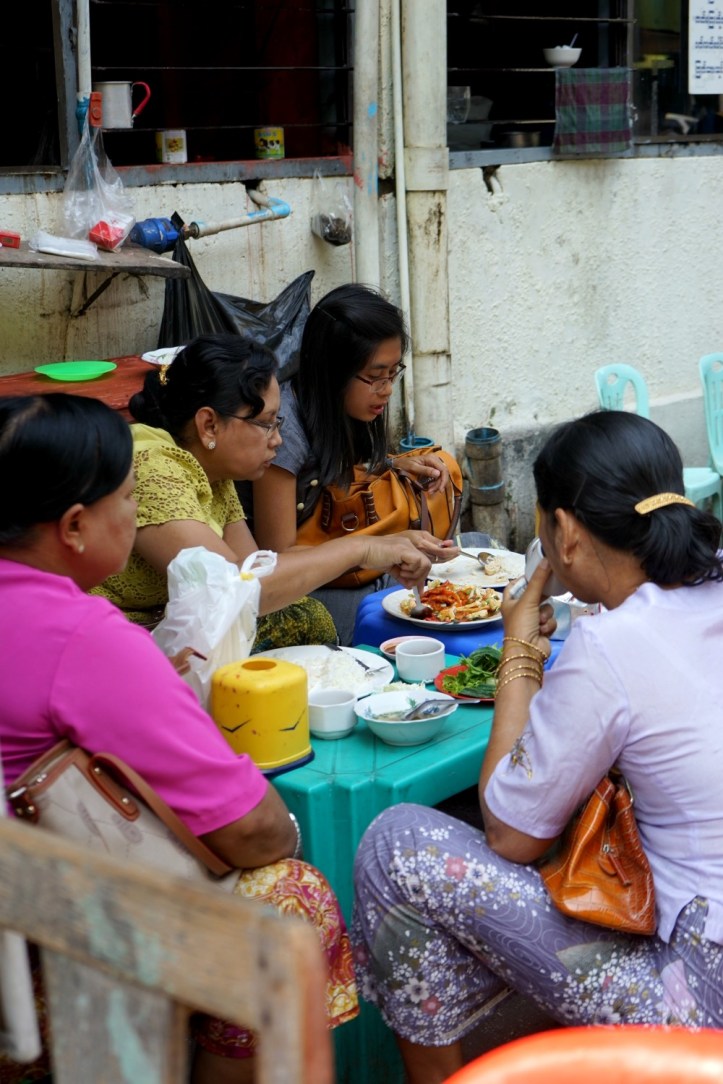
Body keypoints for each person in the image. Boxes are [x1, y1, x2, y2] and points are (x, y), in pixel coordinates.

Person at [351, 410, 723, 1084]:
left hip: (699, 1001)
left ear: (568, 535)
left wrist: (520, 647)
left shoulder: (611, 644)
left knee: (395, 844)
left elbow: (511, 832)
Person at [0, 393, 359, 1084]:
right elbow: (254, 834)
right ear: (75, 525)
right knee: (292, 898)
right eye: (129, 498)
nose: (136, 516)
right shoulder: (84, 639)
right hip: (43, 940)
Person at [92, 332, 435, 650]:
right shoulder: (153, 468)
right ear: (209, 424)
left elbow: (253, 570)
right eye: (265, 424)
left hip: (180, 629)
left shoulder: (213, 472)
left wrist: (388, 544)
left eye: (278, 423)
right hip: (117, 641)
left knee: (306, 616)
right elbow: (236, 592)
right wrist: (362, 549)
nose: (278, 439)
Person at [248, 283, 459, 643]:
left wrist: (394, 464)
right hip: (300, 590)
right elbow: (277, 558)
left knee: (450, 573)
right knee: (410, 616)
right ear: (332, 372)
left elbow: (339, 468)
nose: (387, 389)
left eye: (393, 372)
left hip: (348, 562)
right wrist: (375, 548)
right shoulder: (284, 435)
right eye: (375, 377)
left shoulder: (344, 406)